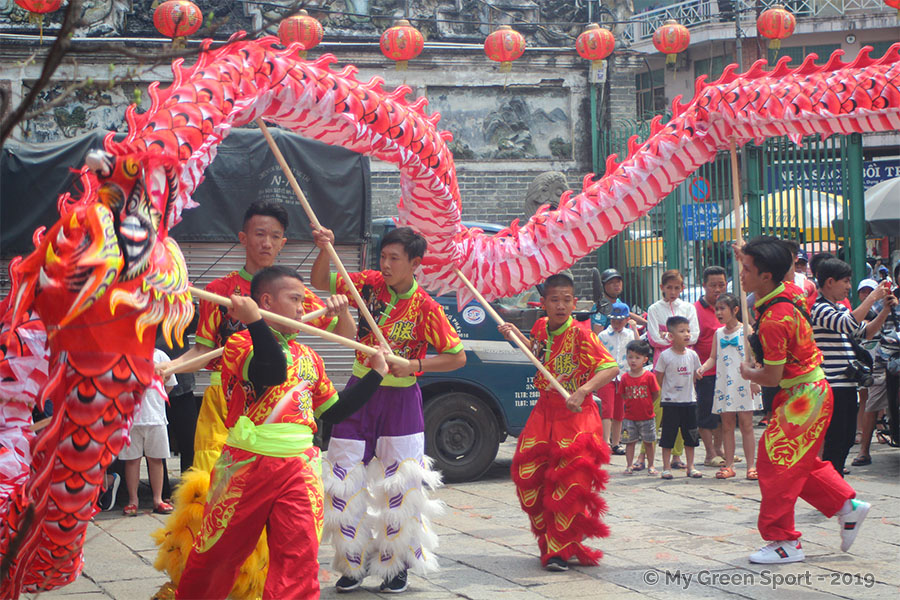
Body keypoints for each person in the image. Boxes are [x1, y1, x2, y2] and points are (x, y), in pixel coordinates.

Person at [175, 267, 392, 600]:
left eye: (304, 301)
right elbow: (271, 372)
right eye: (295, 300)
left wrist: (375, 375)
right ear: (266, 301)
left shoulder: (310, 357)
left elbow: (332, 411)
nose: (304, 308)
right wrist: (254, 323)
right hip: (247, 466)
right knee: (218, 553)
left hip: (300, 468)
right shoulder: (239, 343)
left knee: (299, 558)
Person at [310, 226, 466, 594]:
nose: (386, 264)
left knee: (402, 486)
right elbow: (321, 279)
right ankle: (352, 562)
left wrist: (414, 366)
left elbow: (456, 356)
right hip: (359, 391)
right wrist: (324, 248)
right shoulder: (367, 284)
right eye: (383, 256)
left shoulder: (427, 307)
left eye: (395, 258)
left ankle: (396, 566)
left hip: (401, 402)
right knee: (344, 478)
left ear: (415, 264)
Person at [160, 201, 349, 472]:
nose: (267, 243)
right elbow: (203, 352)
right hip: (225, 399)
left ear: (283, 243)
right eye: (260, 234)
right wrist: (172, 366)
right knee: (214, 483)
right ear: (243, 238)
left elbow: (346, 334)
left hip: (278, 395)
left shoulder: (295, 294)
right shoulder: (220, 291)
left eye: (274, 236)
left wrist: (341, 312)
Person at [737, 236, 867, 565]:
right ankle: (845, 506)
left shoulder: (774, 320)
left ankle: (784, 542)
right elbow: (783, 276)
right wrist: (749, 253)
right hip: (807, 393)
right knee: (797, 462)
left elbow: (772, 377)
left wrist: (749, 372)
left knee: (775, 462)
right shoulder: (789, 290)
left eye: (747, 268)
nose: (741, 273)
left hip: (803, 397)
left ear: (766, 276)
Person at [499, 273, 618, 572]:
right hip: (544, 411)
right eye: (555, 300)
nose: (561, 306)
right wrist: (517, 337)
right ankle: (556, 539)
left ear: (575, 302)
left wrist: (583, 390)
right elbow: (539, 356)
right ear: (544, 303)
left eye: (567, 300)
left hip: (576, 415)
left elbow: (610, 367)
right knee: (529, 477)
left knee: (568, 482)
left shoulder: (583, 335)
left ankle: (557, 550)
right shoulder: (540, 327)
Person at [810, 258, 895, 476]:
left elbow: (864, 333)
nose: (849, 286)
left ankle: (834, 484)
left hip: (846, 385)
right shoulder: (819, 309)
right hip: (832, 385)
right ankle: (831, 484)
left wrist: (884, 310)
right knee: (837, 438)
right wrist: (874, 297)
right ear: (830, 282)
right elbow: (850, 323)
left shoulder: (838, 309)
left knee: (846, 438)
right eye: (846, 281)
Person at [697, 293, 761, 480]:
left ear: (735, 310)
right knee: (726, 425)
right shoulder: (718, 333)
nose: (718, 312)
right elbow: (713, 357)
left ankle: (751, 466)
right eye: (716, 309)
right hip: (725, 382)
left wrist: (755, 380)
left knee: (747, 424)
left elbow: (754, 358)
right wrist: (703, 368)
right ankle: (729, 465)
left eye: (722, 308)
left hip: (744, 381)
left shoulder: (746, 330)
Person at [645, 270, 697, 469]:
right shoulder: (654, 309)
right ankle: (645, 454)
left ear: (682, 288)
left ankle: (677, 455)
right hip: (662, 364)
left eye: (677, 287)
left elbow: (695, 335)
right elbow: (653, 338)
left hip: (685, 362)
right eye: (669, 287)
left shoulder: (688, 308)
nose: (673, 291)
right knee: (657, 410)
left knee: (683, 410)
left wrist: (668, 335)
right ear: (662, 288)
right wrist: (674, 338)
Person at [120, 348, 177, 516]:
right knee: (131, 460)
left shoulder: (160, 356)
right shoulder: (124, 356)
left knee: (156, 459)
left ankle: (158, 499)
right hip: (131, 419)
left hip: (156, 418)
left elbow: (170, 384)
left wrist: (157, 401)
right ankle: (133, 501)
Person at [853, 279, 899, 466]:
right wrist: (887, 308)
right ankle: (864, 450)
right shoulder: (887, 299)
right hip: (888, 356)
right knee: (873, 400)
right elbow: (870, 326)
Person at [655, 316, 702, 479]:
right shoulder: (665, 356)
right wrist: (662, 395)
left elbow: (696, 375)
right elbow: (658, 378)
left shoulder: (693, 355)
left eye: (688, 331)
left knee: (691, 436)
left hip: (689, 401)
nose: (687, 334)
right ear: (671, 336)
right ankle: (666, 467)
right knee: (668, 435)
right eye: (682, 331)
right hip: (670, 402)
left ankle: (691, 466)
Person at [694, 266, 726, 469]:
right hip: (705, 370)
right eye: (713, 285)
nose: (717, 289)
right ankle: (709, 452)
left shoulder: (728, 307)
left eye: (721, 284)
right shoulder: (695, 310)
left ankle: (719, 449)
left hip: (726, 370)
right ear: (704, 285)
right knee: (706, 413)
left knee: (723, 413)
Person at [597, 301, 637, 455]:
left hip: (624, 377)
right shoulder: (603, 335)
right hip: (607, 376)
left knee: (620, 411)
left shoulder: (630, 334)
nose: (616, 323)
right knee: (607, 409)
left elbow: (638, 346)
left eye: (620, 320)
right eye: (614, 320)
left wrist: (634, 327)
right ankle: (605, 441)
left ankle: (616, 442)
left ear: (626, 319)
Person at [619, 340, 659, 475]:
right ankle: (629, 465)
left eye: (637, 357)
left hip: (647, 416)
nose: (633, 361)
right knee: (629, 442)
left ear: (645, 359)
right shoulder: (624, 378)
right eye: (630, 357)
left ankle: (651, 465)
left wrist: (647, 404)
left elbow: (655, 393)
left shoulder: (649, 376)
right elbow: (623, 394)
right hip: (629, 417)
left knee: (649, 441)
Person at [591, 268, 646, 333]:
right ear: (603, 286)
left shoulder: (617, 301)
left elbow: (628, 314)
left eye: (618, 281)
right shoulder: (601, 307)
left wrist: (648, 323)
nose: (616, 284)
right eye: (611, 282)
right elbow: (597, 335)